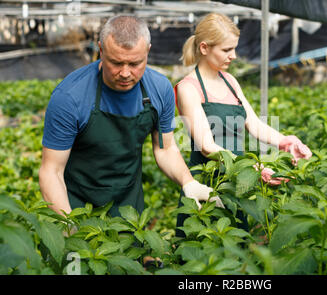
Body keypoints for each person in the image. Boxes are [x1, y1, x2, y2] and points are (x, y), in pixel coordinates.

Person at [39, 15, 222, 218]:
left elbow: (166, 148)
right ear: (100, 50)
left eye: (135, 63)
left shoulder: (160, 90)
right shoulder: (70, 97)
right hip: (74, 202)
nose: (125, 73)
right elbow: (51, 171)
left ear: (148, 51)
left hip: (127, 208)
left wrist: (189, 182)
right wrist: (67, 225)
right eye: (116, 63)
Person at [174, 13, 312, 237]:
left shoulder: (230, 82)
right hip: (207, 184)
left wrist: (285, 142)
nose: (234, 56)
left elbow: (254, 124)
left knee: (236, 251)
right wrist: (253, 168)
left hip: (236, 184)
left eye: (234, 49)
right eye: (227, 50)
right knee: (203, 254)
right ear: (204, 47)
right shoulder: (188, 88)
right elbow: (207, 147)